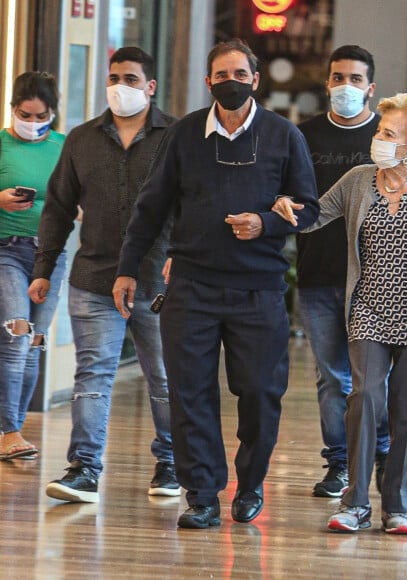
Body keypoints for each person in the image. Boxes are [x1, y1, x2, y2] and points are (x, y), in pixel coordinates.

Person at [112, 39, 319, 529]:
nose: (231, 82)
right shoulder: (184, 135)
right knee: (190, 394)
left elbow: (308, 209)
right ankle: (201, 492)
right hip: (192, 287)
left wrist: (266, 223)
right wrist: (126, 267)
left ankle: (250, 485)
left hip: (260, 289)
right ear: (208, 82)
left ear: (255, 80)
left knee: (261, 393)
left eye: (240, 74)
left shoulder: (284, 136)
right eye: (221, 74)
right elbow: (151, 207)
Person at [274, 93, 407, 534]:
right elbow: (316, 215)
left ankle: (397, 505)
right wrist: (284, 210)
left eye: (388, 133)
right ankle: (355, 503)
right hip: (369, 310)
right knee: (364, 398)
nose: (378, 138)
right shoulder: (359, 179)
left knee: (406, 411)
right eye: (379, 131)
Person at [28, 47, 177, 502]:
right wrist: (43, 268)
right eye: (114, 77)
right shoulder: (82, 139)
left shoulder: (177, 137)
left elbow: (196, 204)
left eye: (131, 79)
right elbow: (56, 207)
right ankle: (84, 468)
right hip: (94, 276)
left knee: (166, 378)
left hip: (159, 282)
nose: (121, 87)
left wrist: (186, 256)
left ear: (150, 87)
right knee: (92, 375)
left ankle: (170, 462)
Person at [296, 45, 390, 498]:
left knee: (374, 376)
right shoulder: (303, 136)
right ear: (326, 83)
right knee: (331, 376)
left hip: (376, 279)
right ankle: (338, 463)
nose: (345, 87)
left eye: (355, 79)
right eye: (338, 78)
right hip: (317, 276)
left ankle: (384, 454)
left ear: (371, 88)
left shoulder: (387, 137)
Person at [0, 72, 66, 461]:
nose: (32, 122)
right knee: (15, 334)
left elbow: (77, 198)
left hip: (51, 253)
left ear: (52, 115)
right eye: (24, 114)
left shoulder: (65, 146)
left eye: (41, 116)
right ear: (13, 109)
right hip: (6, 249)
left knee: (34, 343)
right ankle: (9, 430)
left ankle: (13, 428)